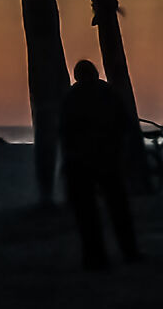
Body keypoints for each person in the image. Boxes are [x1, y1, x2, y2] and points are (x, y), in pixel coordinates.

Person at [60, 60, 141, 270]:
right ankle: (129, 252)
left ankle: (94, 257)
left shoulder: (71, 97)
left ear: (77, 76)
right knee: (118, 209)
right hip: (107, 159)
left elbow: (64, 130)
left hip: (80, 162)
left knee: (87, 213)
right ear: (95, 74)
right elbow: (126, 123)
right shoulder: (108, 93)